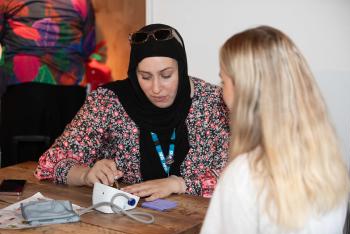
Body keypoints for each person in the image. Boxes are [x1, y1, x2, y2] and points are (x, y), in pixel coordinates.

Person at [35, 23, 230, 201]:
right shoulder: (107, 102)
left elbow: (239, 176)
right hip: (127, 223)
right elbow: (49, 163)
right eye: (145, 77)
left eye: (166, 75)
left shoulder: (213, 101)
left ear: (182, 67)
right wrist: (85, 174)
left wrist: (180, 184)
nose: (156, 88)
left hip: (197, 222)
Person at [199, 26, 350, 234]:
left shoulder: (245, 175)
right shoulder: (328, 166)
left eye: (223, 81)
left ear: (244, 91)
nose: (221, 91)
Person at [0, 0, 96, 167]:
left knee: (18, 164)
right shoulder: (80, 2)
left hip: (22, 86)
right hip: (69, 88)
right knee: (67, 161)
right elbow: (88, 45)